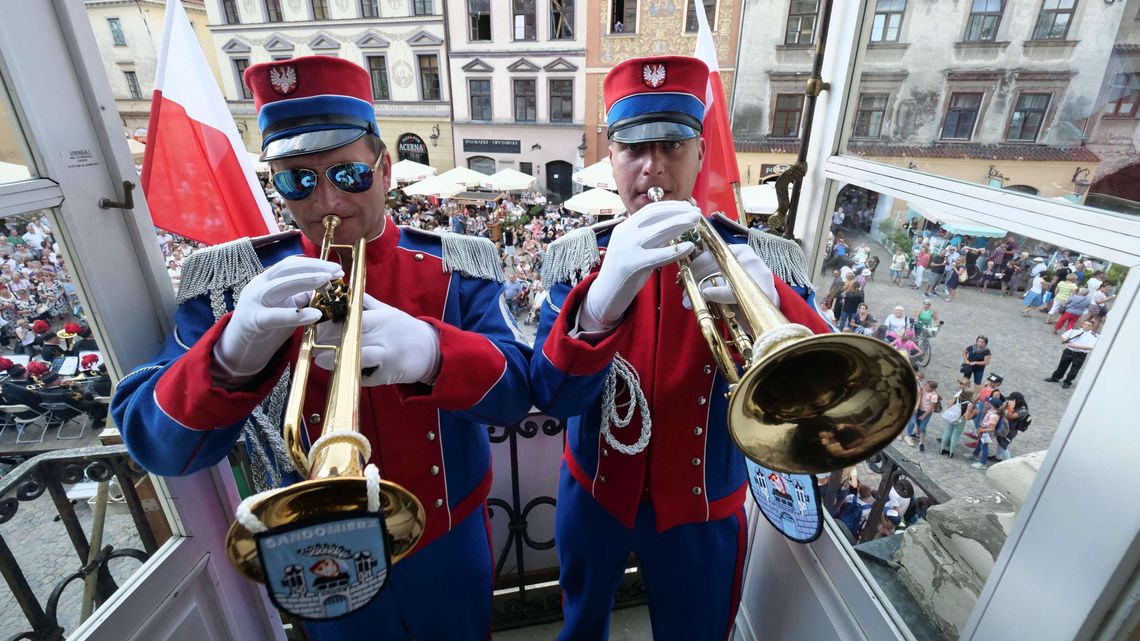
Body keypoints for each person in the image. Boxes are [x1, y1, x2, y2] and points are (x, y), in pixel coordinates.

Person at [110, 57, 532, 641]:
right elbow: (158, 446)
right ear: (275, 184)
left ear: (383, 170)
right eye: (297, 181)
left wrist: (434, 353)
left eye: (348, 174)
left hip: (446, 537)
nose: (327, 202)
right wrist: (229, 354)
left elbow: (515, 396)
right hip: (313, 548)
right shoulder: (232, 281)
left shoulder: (455, 265)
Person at [530, 55, 833, 641]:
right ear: (611, 157)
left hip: (704, 503)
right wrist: (595, 308)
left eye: (673, 145)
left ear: (700, 152)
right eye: (633, 149)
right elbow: (552, 395)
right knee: (578, 627)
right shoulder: (576, 259)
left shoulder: (761, 259)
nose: (653, 168)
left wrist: (771, 298)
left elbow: (820, 387)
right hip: (595, 490)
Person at [1045, 320, 1097, 389]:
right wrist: (1067, 342)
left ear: (1092, 327)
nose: (1086, 326)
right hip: (1069, 351)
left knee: (1074, 369)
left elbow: (1089, 347)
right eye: (1085, 324)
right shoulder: (1074, 330)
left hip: (1080, 354)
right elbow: (1064, 336)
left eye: (1089, 325)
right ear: (1082, 324)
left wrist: (1074, 346)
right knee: (1062, 365)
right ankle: (1055, 377)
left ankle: (1067, 382)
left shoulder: (1093, 336)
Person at [939, 380, 976, 458]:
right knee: (955, 436)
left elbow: (950, 406)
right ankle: (951, 453)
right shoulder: (969, 404)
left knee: (947, 433)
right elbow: (967, 417)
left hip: (952, 418)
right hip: (960, 421)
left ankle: (942, 449)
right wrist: (973, 413)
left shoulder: (958, 398)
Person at [904, 380, 939, 452]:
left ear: (932, 388)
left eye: (928, 386)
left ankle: (921, 443)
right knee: (918, 423)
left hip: (926, 412)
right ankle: (917, 435)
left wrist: (924, 415)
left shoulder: (934, 396)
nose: (926, 387)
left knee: (923, 427)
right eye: (926, 385)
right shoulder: (923, 389)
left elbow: (931, 407)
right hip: (919, 410)